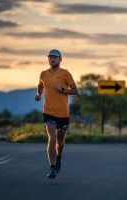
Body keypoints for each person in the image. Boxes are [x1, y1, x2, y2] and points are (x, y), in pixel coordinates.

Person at [35, 49, 79, 179]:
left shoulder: (65, 74)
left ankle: (59, 156)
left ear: (60, 59)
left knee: (60, 141)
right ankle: (52, 168)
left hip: (63, 114)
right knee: (52, 138)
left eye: (55, 57)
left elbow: (76, 91)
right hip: (48, 112)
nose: (52, 59)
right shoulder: (43, 74)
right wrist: (38, 95)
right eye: (50, 57)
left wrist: (63, 90)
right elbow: (40, 86)